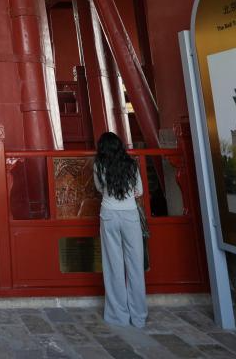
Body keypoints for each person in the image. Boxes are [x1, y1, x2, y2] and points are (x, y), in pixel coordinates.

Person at [92, 131, 147, 328]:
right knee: (135, 264)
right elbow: (140, 191)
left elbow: (99, 188)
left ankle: (118, 316)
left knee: (113, 264)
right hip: (130, 214)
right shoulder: (131, 164)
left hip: (108, 214)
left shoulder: (99, 164)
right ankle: (138, 316)